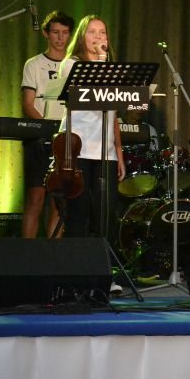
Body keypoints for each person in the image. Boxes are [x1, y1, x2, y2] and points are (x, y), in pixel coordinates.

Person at [57, 14, 127, 244]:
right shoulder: (71, 64)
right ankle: (76, 261)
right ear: (82, 36)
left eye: (102, 32)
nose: (98, 36)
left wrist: (118, 151)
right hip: (79, 148)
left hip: (105, 151)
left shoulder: (110, 69)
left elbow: (112, 113)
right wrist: (101, 60)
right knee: (78, 211)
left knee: (106, 212)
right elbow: (93, 94)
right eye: (92, 32)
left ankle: (104, 262)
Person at [20, 10, 74, 238]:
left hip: (67, 140)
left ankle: (54, 253)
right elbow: (28, 104)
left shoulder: (75, 64)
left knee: (59, 201)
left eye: (65, 33)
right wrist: (46, 129)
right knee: (36, 196)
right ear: (46, 34)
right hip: (40, 139)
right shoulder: (33, 64)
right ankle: (27, 252)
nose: (60, 38)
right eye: (55, 32)